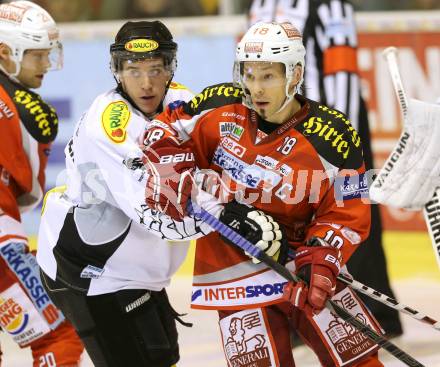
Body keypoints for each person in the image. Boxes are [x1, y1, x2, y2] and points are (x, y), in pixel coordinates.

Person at [142, 21, 384, 366]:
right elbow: (162, 131)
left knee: (360, 359)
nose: (256, 88)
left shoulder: (334, 134)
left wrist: (322, 260)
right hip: (234, 269)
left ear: (295, 73)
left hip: (299, 260)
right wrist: (172, 172)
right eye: (249, 75)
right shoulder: (218, 106)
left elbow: (349, 210)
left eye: (268, 76)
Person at [35, 20, 227, 367]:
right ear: (117, 71)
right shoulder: (107, 128)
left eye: (156, 69)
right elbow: (161, 218)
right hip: (90, 274)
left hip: (138, 269)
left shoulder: (181, 100)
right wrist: (231, 215)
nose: (146, 82)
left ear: (170, 67)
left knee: (163, 358)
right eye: (133, 70)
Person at [248, 0, 403, 337]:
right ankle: (302, 314)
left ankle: (375, 316)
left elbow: (342, 70)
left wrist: (337, 140)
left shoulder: (330, 4)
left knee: (352, 217)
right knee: (287, 219)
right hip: (281, 127)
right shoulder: (259, 3)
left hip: (331, 130)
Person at [0, 1, 84, 366]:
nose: (46, 65)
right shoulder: (20, 108)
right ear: (5, 52)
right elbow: (30, 194)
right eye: (37, 56)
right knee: (61, 330)